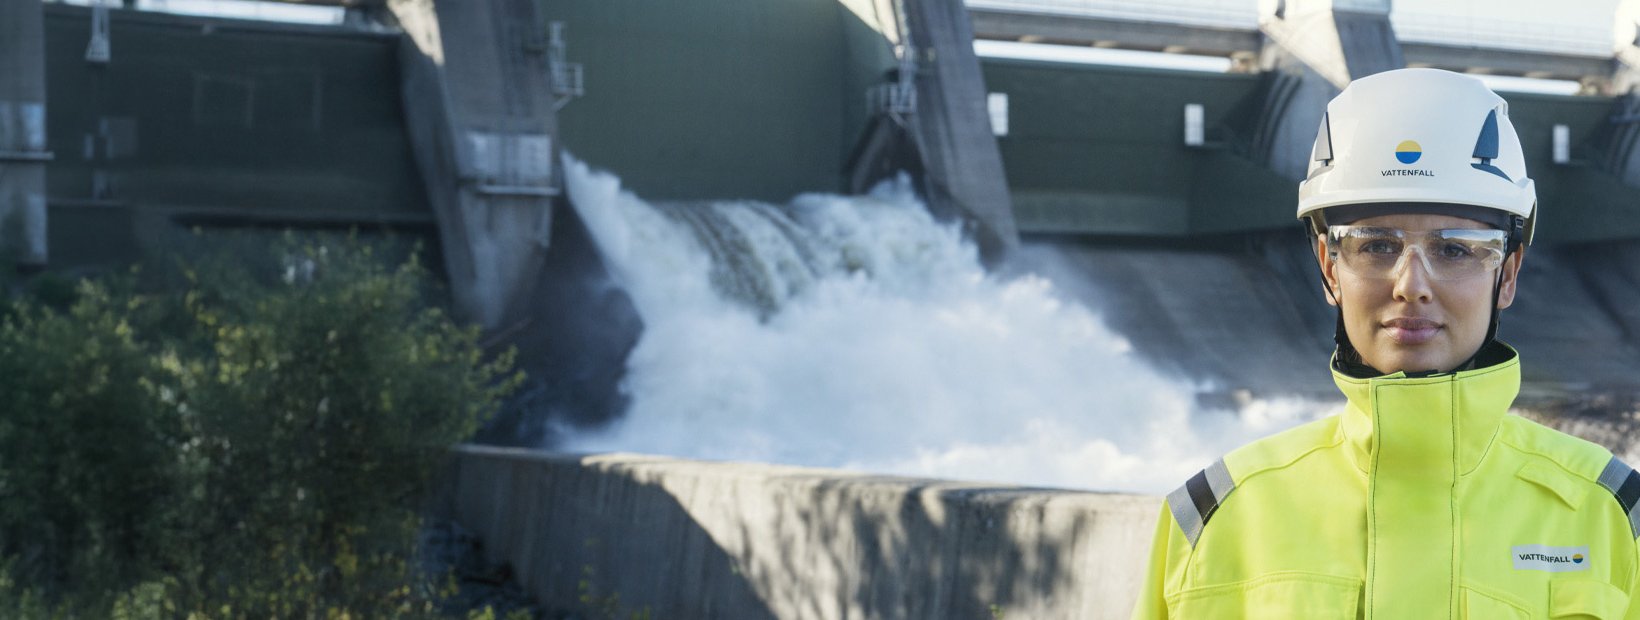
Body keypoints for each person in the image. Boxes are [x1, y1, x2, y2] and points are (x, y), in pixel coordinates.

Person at [1130, 68, 1640, 619]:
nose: (1410, 286)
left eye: (1455, 249)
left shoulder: (1615, 516)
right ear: (1330, 268)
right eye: (1375, 246)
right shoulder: (1215, 515)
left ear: (1508, 273)